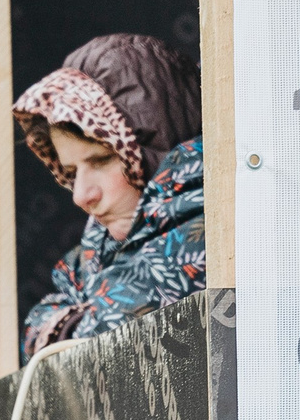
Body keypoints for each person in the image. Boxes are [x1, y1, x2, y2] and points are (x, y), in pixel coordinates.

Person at [13, 33, 208, 359]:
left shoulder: (212, 219)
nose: (80, 196)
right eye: (72, 172)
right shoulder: (94, 252)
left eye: (101, 160)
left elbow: (107, 328)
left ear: (151, 150)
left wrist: (73, 319)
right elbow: (36, 325)